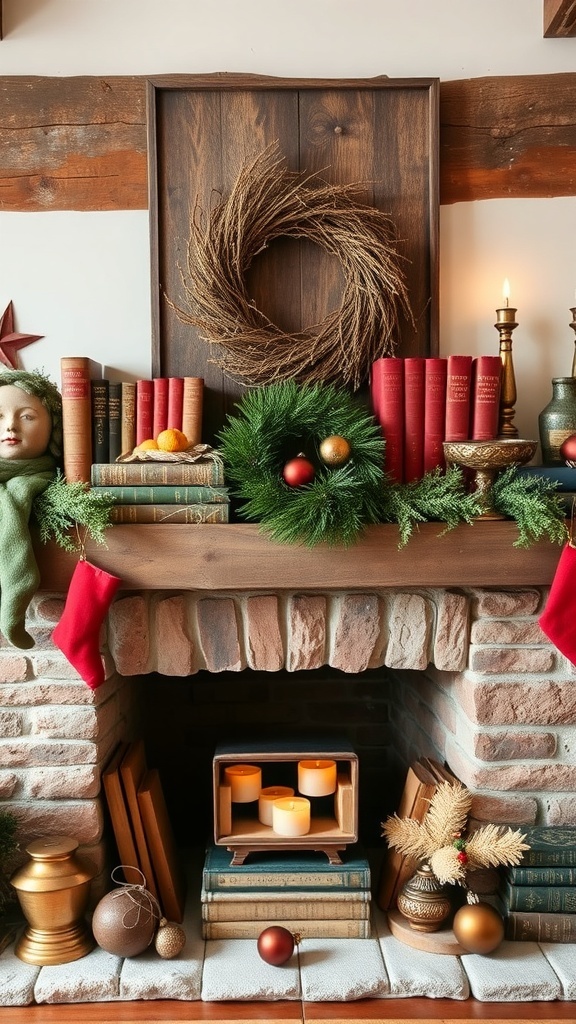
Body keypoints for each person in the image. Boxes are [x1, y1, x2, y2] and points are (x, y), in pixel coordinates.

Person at [0, 370, 63, 648]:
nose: (11, 426)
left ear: (53, 428)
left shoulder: (50, 482)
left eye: (26, 416)